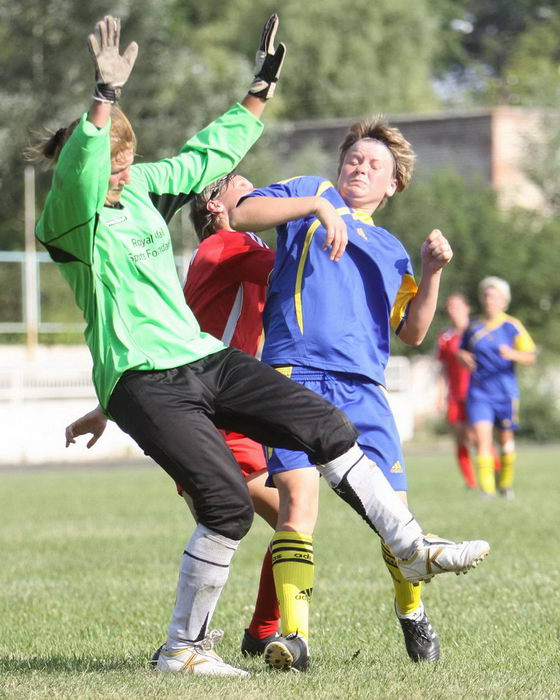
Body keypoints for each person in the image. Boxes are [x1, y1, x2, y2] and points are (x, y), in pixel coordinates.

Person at [38, 16, 489, 678]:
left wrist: (260, 88)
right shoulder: (69, 216)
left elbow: (209, 153)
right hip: (143, 379)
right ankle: (184, 650)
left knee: (325, 426)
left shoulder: (141, 188)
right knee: (229, 508)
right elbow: (82, 166)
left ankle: (411, 546)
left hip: (200, 359)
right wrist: (104, 98)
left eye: (129, 163)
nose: (125, 175)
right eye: (114, 166)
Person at [230, 120, 489, 670]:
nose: (360, 168)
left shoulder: (392, 250)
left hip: (363, 389)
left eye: (375, 164)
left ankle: (411, 612)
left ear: (393, 184)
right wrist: (314, 207)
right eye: (354, 158)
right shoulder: (310, 194)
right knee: (297, 502)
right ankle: (294, 638)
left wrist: (432, 272)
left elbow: (412, 332)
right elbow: (241, 213)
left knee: (394, 514)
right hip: (293, 374)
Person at [66, 172, 282, 656]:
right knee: (286, 520)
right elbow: (294, 268)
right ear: (216, 206)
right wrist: (321, 214)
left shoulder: (226, 249)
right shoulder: (228, 246)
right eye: (245, 188)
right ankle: (227, 638)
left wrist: (105, 408)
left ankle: (211, 639)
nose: (261, 193)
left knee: (244, 525)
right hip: (213, 416)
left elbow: (168, 347)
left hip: (209, 411)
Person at [457, 277, 536, 499]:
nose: (489, 300)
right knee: (482, 440)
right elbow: (461, 350)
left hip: (505, 393)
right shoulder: (473, 326)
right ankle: (487, 491)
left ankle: (506, 485)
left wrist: (513, 354)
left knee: (505, 441)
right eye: (486, 296)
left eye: (494, 297)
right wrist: (461, 355)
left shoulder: (512, 326)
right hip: (479, 392)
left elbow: (531, 356)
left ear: (504, 301)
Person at [436, 293, 477, 489]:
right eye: (449, 307)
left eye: (457, 306)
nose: (453, 311)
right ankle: (471, 482)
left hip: (477, 393)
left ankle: (493, 472)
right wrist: (439, 395)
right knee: (461, 438)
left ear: (467, 308)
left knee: (479, 437)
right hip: (455, 395)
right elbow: (442, 369)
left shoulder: (478, 332)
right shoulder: (446, 337)